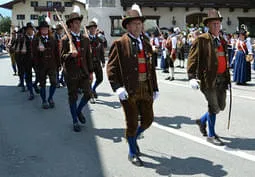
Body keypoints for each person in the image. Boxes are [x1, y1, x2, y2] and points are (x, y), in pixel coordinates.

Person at [107, 4, 159, 166]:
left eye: (140, 23)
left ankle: (132, 138)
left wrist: (155, 88)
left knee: (148, 120)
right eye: (134, 24)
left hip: (146, 87)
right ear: (128, 26)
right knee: (131, 123)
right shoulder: (120, 43)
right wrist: (118, 87)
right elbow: (111, 68)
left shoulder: (146, 42)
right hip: (129, 90)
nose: (138, 26)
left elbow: (151, 68)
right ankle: (132, 151)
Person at [187, 9, 231, 146]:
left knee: (221, 106)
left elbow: (224, 59)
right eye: (213, 24)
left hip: (222, 79)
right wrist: (191, 77)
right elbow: (192, 59)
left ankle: (202, 121)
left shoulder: (222, 41)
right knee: (214, 107)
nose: (216, 26)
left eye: (218, 24)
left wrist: (228, 77)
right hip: (208, 80)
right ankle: (211, 136)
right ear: (208, 26)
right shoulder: (201, 40)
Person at [61, 6, 93, 132]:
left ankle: (79, 111)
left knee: (88, 94)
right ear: (70, 25)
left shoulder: (85, 39)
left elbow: (88, 57)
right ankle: (75, 120)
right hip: (71, 73)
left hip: (83, 71)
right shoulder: (65, 40)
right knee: (73, 97)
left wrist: (91, 72)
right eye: (75, 22)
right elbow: (61, 58)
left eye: (79, 22)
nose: (78, 24)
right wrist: (70, 55)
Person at [32, 20, 60, 109]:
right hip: (41, 66)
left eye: (46, 28)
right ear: (40, 30)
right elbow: (33, 54)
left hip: (52, 65)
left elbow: (56, 53)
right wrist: (38, 50)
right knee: (42, 84)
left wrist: (58, 64)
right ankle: (44, 101)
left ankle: (50, 98)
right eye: (42, 29)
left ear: (48, 29)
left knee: (54, 83)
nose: (44, 30)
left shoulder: (53, 39)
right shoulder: (36, 40)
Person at [86, 20, 105, 100]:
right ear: (89, 30)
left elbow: (101, 52)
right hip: (89, 63)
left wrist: (103, 61)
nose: (92, 30)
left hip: (97, 62)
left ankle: (93, 89)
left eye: (94, 28)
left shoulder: (99, 39)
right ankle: (91, 95)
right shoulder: (85, 40)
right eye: (91, 28)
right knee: (89, 79)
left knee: (100, 79)